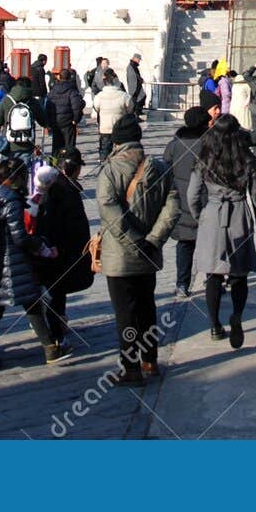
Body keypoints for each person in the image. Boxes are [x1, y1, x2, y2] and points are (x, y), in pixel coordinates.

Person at [96, 119, 180, 385]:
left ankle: (130, 367)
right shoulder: (161, 167)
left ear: (117, 141)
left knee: (125, 312)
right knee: (146, 306)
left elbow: (108, 208)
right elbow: (173, 207)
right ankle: (150, 360)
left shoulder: (110, 170)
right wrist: (153, 239)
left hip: (120, 255)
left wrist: (132, 240)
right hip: (148, 251)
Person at [189, 113, 256, 346]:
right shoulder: (247, 158)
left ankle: (214, 324)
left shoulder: (204, 158)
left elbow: (192, 194)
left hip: (212, 213)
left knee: (213, 273)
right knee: (239, 273)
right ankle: (237, 316)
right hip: (239, 213)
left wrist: (200, 215)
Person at [0, 157, 69, 363]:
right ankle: (50, 347)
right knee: (31, 303)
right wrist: (39, 245)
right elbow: (19, 236)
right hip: (13, 259)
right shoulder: (11, 200)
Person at [33, 152, 94, 354]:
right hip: (60, 250)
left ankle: (58, 324)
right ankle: (55, 333)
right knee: (56, 291)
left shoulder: (61, 186)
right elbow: (58, 223)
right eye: (78, 168)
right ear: (71, 169)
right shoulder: (61, 190)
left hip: (61, 249)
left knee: (58, 290)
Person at [164, 106, 209, 298]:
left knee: (184, 245)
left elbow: (165, 172)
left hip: (181, 201)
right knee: (209, 243)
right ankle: (212, 279)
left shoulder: (174, 146)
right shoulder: (209, 144)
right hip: (207, 201)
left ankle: (182, 283)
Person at [0, 71, 46, 161]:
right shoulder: (33, 101)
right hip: (27, 142)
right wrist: (47, 124)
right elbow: (42, 120)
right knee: (23, 172)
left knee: (7, 170)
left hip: (8, 142)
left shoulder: (7, 99)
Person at [89, 70, 132, 163]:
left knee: (105, 150)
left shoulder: (99, 96)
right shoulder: (124, 96)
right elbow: (130, 109)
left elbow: (96, 108)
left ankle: (104, 167)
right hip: (120, 127)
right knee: (121, 151)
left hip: (105, 127)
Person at [47, 66, 86, 162]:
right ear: (69, 78)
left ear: (59, 77)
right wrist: (76, 119)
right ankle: (68, 166)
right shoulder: (72, 90)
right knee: (69, 146)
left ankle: (55, 165)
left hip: (56, 122)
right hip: (68, 122)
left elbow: (47, 106)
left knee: (56, 146)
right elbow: (77, 106)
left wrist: (49, 122)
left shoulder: (53, 90)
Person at [124, 52, 146, 119]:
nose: (139, 60)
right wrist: (140, 80)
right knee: (135, 101)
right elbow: (135, 75)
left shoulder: (133, 65)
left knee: (142, 97)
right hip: (134, 87)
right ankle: (135, 115)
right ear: (135, 58)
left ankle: (138, 113)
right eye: (138, 59)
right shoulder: (131, 65)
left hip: (136, 86)